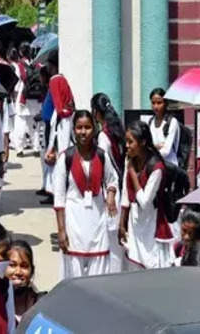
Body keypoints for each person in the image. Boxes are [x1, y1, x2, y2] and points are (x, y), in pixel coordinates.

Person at [53, 110, 118, 279]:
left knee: (99, 271)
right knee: (73, 272)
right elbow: (59, 198)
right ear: (73, 130)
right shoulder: (65, 158)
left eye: (87, 127)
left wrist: (110, 194)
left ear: (94, 129)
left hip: (98, 221)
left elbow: (112, 179)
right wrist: (61, 230)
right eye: (79, 127)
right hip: (74, 222)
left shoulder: (101, 155)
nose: (83, 132)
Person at [120, 120, 174, 269]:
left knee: (152, 264)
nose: (127, 146)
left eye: (130, 142)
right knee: (134, 263)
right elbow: (126, 192)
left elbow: (145, 201)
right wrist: (121, 223)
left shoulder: (157, 167)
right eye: (126, 141)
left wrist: (132, 172)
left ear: (143, 142)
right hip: (135, 221)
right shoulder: (131, 160)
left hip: (151, 221)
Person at [90, 93, 127, 272]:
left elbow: (105, 168)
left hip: (111, 191)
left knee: (112, 242)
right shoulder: (117, 132)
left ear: (96, 112)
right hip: (120, 188)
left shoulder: (104, 137)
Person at [42, 57, 74, 203]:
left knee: (56, 154)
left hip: (60, 121)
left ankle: (56, 192)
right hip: (65, 120)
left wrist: (64, 113)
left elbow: (59, 105)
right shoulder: (63, 79)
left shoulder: (55, 80)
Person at [5, 239, 40, 324]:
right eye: (12, 265)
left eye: (24, 266)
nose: (18, 272)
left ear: (32, 271)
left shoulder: (41, 304)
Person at [143, 88, 180, 166]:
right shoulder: (150, 122)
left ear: (165, 103)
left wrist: (152, 148)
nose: (156, 106)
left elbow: (166, 151)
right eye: (153, 103)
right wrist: (157, 146)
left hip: (170, 167)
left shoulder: (172, 122)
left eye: (159, 103)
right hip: (154, 166)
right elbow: (145, 146)